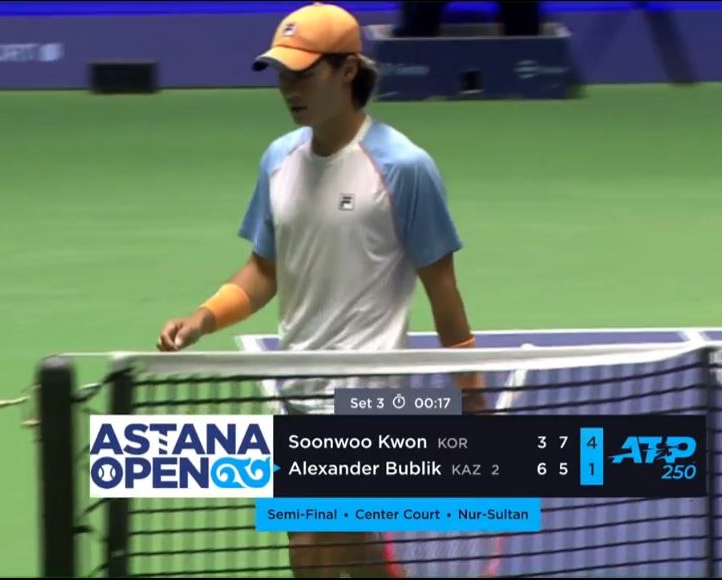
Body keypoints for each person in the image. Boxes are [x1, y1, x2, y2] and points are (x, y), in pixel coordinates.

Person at [156, 2, 484, 577]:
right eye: (281, 74)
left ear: (348, 70)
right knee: (351, 548)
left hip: (368, 401)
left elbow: (443, 290)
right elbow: (264, 271)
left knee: (312, 548)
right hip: (298, 391)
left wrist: (473, 399)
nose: (289, 89)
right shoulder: (278, 160)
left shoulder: (404, 167)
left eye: (303, 74)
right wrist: (203, 317)